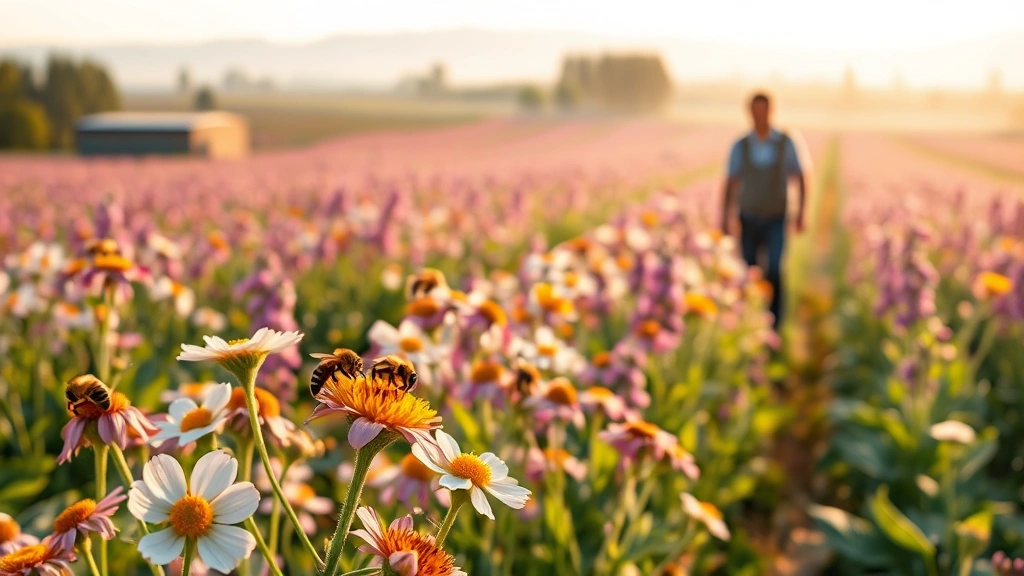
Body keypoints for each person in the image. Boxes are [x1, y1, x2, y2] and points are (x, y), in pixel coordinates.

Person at [720, 92, 806, 329]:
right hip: (748, 216)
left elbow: (800, 176)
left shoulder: (785, 142)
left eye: (764, 110)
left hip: (776, 217)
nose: (760, 115)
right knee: (749, 272)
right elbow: (730, 181)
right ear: (749, 113)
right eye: (755, 110)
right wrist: (724, 217)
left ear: (771, 111)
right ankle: (749, 322)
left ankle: (775, 323)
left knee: (775, 269)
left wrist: (801, 213)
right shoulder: (741, 145)